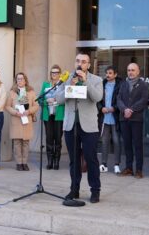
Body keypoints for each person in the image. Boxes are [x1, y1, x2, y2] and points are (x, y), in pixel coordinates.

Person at [55, 53, 104, 203]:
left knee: (91, 159)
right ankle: (74, 189)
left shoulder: (96, 79)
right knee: (73, 160)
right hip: (71, 125)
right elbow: (59, 99)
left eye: (83, 62)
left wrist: (85, 81)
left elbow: (97, 97)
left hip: (89, 126)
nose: (80, 64)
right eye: (77, 61)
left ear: (88, 65)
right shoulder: (67, 78)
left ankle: (95, 191)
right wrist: (71, 86)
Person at [117, 63, 149, 179]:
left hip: (136, 119)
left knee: (138, 145)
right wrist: (124, 109)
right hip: (124, 118)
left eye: (133, 70)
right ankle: (129, 168)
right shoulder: (123, 84)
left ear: (138, 71)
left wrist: (132, 109)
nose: (130, 72)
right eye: (129, 70)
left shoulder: (143, 85)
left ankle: (139, 170)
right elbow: (119, 99)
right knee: (127, 144)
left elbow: (144, 100)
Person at [6, 72, 39, 171]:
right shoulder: (12, 92)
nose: (20, 81)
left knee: (25, 142)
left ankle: (25, 162)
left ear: (25, 80)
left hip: (27, 120)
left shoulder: (31, 92)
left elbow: (36, 105)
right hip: (16, 119)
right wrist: (15, 112)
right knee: (17, 143)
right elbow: (7, 106)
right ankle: (19, 163)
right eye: (18, 79)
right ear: (16, 80)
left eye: (22, 79)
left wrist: (29, 111)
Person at [97, 66, 122, 174]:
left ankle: (117, 165)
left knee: (116, 141)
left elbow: (121, 100)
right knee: (104, 141)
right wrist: (100, 108)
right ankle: (104, 164)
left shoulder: (120, 85)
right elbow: (97, 100)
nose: (108, 75)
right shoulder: (102, 84)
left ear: (115, 74)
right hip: (104, 118)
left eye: (110, 73)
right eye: (107, 73)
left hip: (115, 117)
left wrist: (114, 108)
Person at [40, 65, 65, 170]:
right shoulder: (45, 84)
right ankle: (50, 161)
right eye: (52, 72)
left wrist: (57, 100)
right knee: (49, 138)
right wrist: (46, 101)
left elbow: (66, 100)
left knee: (58, 139)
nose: (54, 74)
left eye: (56, 72)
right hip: (48, 115)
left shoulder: (63, 85)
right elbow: (40, 99)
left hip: (59, 115)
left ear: (60, 74)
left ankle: (56, 162)